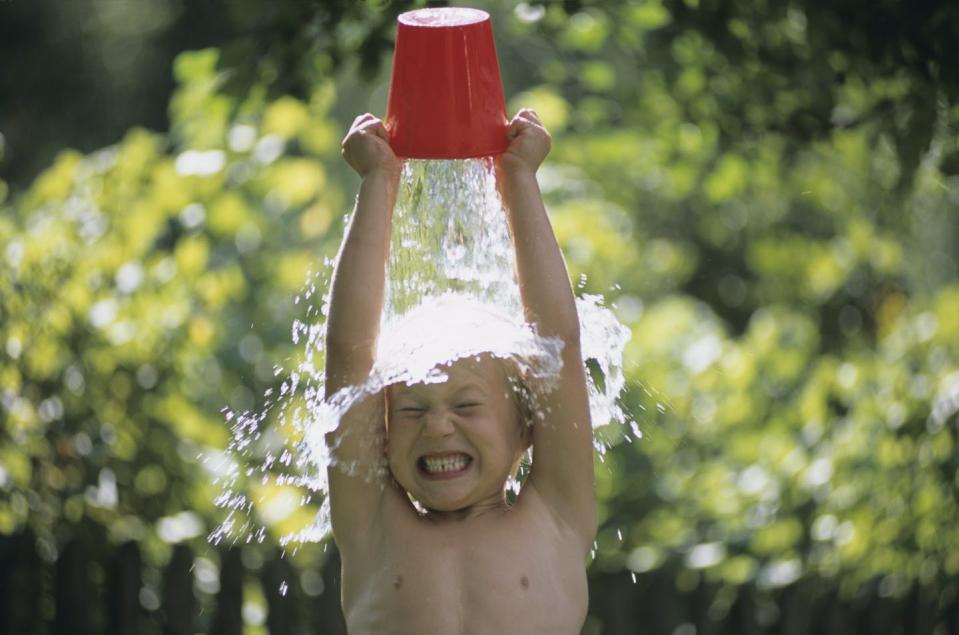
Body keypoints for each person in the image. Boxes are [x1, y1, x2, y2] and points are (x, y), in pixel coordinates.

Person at [324, 108, 596, 633]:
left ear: (526, 428)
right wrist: (378, 181)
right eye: (409, 410)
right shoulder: (372, 529)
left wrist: (519, 179)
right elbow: (349, 355)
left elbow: (557, 345)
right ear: (381, 436)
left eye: (467, 405)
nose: (438, 426)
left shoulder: (555, 517)